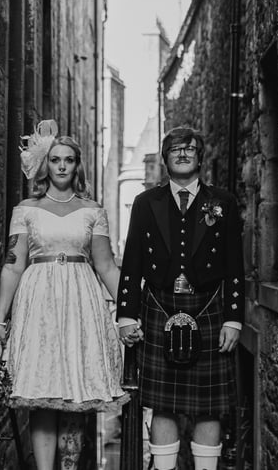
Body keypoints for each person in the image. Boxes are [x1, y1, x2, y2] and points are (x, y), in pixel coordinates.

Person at [0, 120, 128, 470]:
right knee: (43, 393)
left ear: (77, 165)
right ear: (46, 165)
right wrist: (0, 322)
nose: (62, 166)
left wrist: (130, 312)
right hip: (39, 302)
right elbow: (13, 266)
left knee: (75, 395)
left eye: (68, 160)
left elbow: (106, 266)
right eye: (55, 160)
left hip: (81, 302)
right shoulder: (26, 210)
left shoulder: (93, 211)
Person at [117, 126, 244, 470]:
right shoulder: (146, 203)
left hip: (209, 308)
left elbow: (235, 263)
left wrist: (234, 318)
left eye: (189, 149)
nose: (183, 154)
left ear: (200, 157)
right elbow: (132, 260)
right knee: (163, 405)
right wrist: (126, 314)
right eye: (175, 149)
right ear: (165, 158)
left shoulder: (223, 202)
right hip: (159, 306)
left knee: (209, 406)